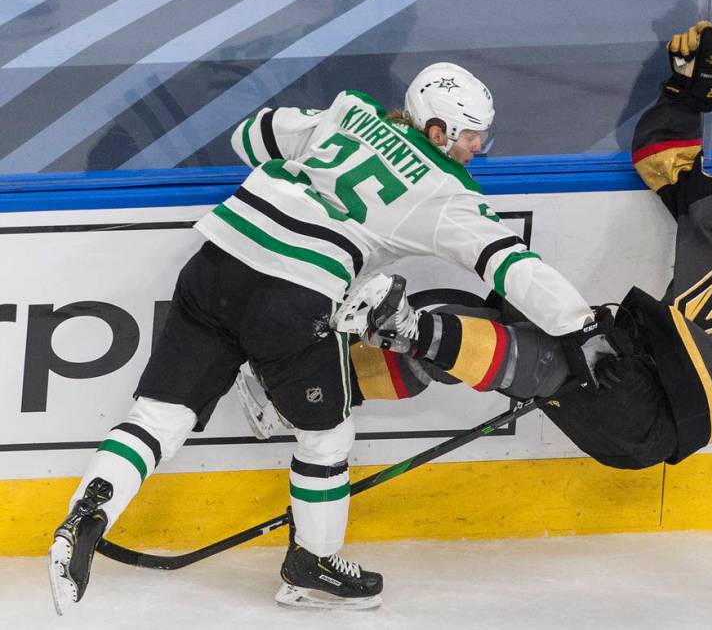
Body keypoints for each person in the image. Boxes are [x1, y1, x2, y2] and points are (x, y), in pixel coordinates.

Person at [280, 22, 712, 556]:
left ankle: (407, 330)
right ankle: (314, 389)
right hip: (624, 349)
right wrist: (688, 96)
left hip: (653, 415)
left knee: (517, 352)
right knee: (472, 315)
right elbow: (662, 156)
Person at [47, 63, 612, 614]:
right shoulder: (445, 192)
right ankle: (312, 566)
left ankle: (83, 515)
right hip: (291, 298)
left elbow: (252, 135)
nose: (475, 149)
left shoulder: (350, 113)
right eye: (469, 137)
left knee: (158, 416)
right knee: (326, 438)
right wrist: (580, 324)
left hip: (215, 265)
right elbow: (510, 264)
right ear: (436, 130)